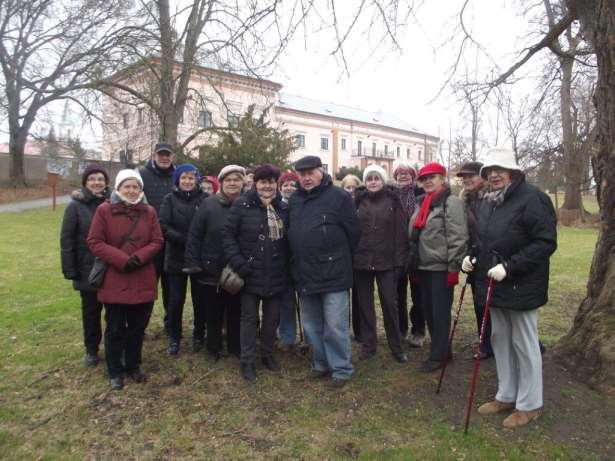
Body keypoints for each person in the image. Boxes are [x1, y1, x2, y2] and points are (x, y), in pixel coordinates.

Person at [462, 147, 557, 429]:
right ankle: (506, 394)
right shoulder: (488, 201)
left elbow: (545, 242)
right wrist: (472, 257)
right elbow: (483, 240)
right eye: (490, 171)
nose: (494, 175)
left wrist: (510, 267)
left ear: (514, 173)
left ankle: (530, 404)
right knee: (500, 339)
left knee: (525, 344)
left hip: (521, 284)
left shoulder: (533, 198)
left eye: (500, 170)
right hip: (493, 284)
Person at [87, 169, 164, 390]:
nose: (131, 191)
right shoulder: (104, 210)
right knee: (115, 328)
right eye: (127, 186)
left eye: (135, 187)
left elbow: (157, 241)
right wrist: (122, 259)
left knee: (138, 327)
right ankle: (114, 370)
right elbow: (95, 241)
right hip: (115, 277)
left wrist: (138, 258)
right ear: (118, 188)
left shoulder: (149, 212)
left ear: (141, 189)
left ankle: (133, 365)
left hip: (142, 277)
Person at [288, 155, 360, 388]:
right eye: (302, 174)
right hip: (305, 272)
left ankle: (341, 368)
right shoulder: (296, 199)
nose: (306, 178)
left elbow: (353, 233)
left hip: (334, 271)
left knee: (335, 324)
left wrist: (336, 256)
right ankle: (321, 363)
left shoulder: (339, 197)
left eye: (310, 173)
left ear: (321, 172)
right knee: (311, 325)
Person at [224, 164, 290, 381]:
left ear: (276, 184)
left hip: (276, 273)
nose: (267, 186)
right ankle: (247, 361)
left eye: (271, 182)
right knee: (249, 319)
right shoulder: (242, 205)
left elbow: (290, 240)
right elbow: (228, 236)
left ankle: (268, 354)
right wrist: (239, 263)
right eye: (263, 182)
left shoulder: (283, 207)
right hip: (249, 273)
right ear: (255, 183)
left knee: (272, 320)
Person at [409, 162, 467, 373]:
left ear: (442, 179)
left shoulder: (450, 203)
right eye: (424, 179)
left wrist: (453, 268)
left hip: (441, 268)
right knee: (429, 312)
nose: (428, 181)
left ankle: (438, 356)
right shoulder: (423, 202)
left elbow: (458, 237)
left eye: (432, 177)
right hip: (423, 267)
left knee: (439, 314)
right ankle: (443, 350)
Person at [184, 165, 245, 359]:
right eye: (228, 180)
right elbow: (195, 234)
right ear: (221, 182)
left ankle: (235, 347)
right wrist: (194, 262)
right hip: (211, 267)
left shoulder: (247, 204)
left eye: (236, 179)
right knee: (213, 312)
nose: (232, 183)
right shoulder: (208, 204)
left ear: (243, 182)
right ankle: (213, 348)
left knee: (236, 311)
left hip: (238, 267)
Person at [353, 165, 409, 363]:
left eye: (377, 178)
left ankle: (396, 346)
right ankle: (369, 345)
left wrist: (399, 262)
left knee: (389, 304)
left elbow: (401, 234)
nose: (373, 182)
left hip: (387, 262)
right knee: (365, 306)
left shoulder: (394, 201)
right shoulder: (358, 201)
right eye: (369, 178)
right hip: (362, 262)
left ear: (383, 181)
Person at [60, 164, 110, 367]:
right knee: (90, 311)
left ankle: (114, 345)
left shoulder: (113, 202)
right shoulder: (75, 206)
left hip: (111, 266)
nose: (97, 182)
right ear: (85, 183)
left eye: (100, 179)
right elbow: (67, 239)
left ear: (106, 182)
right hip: (87, 267)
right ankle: (91, 349)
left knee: (114, 311)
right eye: (92, 179)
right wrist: (70, 268)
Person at [159, 164, 205, 356]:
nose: (187, 181)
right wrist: (183, 240)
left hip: (199, 257)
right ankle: (174, 337)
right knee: (175, 300)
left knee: (199, 300)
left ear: (196, 180)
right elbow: (163, 225)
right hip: (176, 257)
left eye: (191, 178)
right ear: (178, 180)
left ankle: (199, 335)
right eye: (184, 178)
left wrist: (195, 242)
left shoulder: (205, 199)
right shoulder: (169, 199)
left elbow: (209, 224)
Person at [138, 142, 176, 334]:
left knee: (171, 290)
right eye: (161, 154)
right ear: (154, 155)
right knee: (146, 288)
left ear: (173, 157)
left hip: (172, 242)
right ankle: (140, 326)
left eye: (167, 155)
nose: (164, 158)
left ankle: (170, 326)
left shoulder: (178, 177)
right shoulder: (141, 175)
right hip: (148, 242)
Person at [457, 161, 493, 359]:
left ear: (482, 177)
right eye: (464, 177)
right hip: (474, 258)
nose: (467, 180)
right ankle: (486, 343)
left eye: (471, 175)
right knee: (480, 302)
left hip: (491, 258)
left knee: (496, 304)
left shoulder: (490, 198)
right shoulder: (465, 201)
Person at [393, 163, 425, 347]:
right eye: (400, 174)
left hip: (416, 251)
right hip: (396, 251)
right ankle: (401, 329)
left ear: (413, 177)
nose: (403, 176)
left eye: (407, 174)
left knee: (418, 295)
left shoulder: (420, 195)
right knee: (398, 294)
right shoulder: (391, 195)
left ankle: (418, 331)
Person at [277, 171, 300, 351]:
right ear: (280, 187)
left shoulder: (302, 205)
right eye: (285, 185)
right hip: (283, 261)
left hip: (302, 260)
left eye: (293, 184)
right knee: (286, 301)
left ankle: (309, 335)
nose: (289, 188)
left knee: (307, 302)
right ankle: (287, 337)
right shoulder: (276, 207)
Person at [340, 173, 362, 342]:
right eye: (348, 187)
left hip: (360, 255)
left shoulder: (362, 204)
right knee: (343, 296)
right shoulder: (339, 204)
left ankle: (359, 330)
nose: (351, 191)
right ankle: (343, 329)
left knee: (359, 296)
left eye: (354, 187)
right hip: (343, 256)